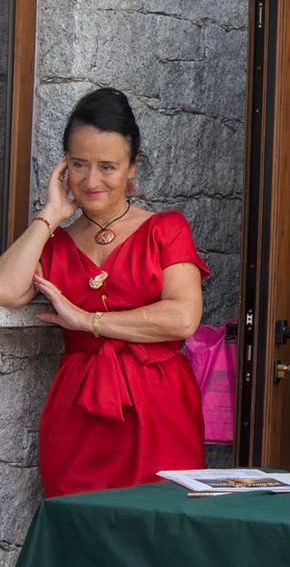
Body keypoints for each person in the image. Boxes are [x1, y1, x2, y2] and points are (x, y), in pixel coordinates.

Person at [0, 87, 209, 496]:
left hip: (159, 408)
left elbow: (183, 319)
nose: (91, 180)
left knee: (158, 520)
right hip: (77, 415)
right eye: (79, 164)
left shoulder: (166, 228)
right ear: (64, 165)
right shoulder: (56, 243)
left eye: (108, 166)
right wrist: (50, 214)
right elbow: (7, 289)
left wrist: (86, 321)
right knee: (76, 520)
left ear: (133, 167)